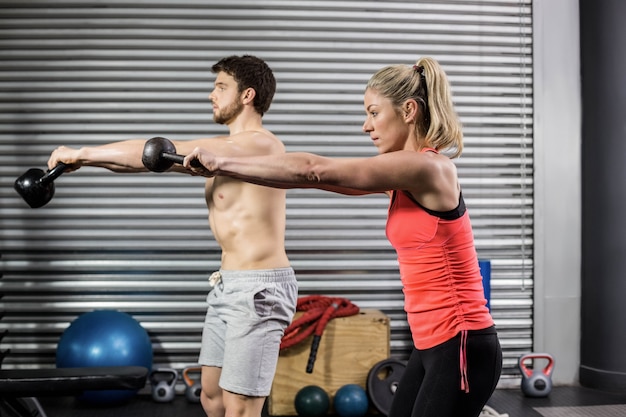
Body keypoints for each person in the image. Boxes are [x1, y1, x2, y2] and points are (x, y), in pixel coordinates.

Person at [182, 56, 503, 417]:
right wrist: (222, 168)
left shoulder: (429, 168)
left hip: (461, 344)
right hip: (429, 344)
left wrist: (223, 162)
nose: (366, 126)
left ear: (409, 110)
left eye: (373, 112)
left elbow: (314, 170)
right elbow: (317, 179)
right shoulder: (401, 181)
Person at [46, 55, 298, 417]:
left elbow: (157, 149)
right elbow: (150, 160)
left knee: (240, 408)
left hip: (259, 289)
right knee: (211, 396)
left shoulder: (260, 146)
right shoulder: (223, 153)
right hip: (229, 284)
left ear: (247, 95)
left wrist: (83, 152)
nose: (211, 94)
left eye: (221, 86)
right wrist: (84, 162)